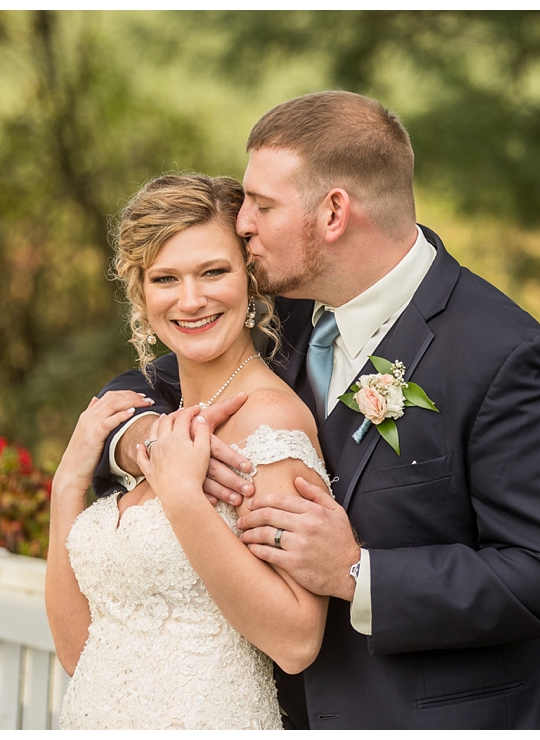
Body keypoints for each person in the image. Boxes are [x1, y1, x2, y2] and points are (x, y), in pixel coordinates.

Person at [94, 91, 540, 729]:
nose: (243, 222)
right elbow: (150, 382)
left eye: (262, 204)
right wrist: (136, 437)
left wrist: (359, 573)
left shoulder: (502, 353)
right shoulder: (284, 316)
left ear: (334, 212)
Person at [44, 174, 332, 730]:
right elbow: (81, 653)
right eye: (166, 278)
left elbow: (297, 640)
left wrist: (180, 495)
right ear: (141, 292)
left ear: (250, 279)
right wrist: (66, 488)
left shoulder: (270, 418)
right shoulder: (160, 421)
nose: (191, 299)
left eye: (214, 272)